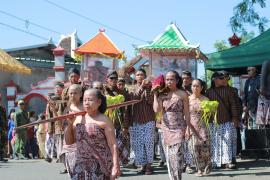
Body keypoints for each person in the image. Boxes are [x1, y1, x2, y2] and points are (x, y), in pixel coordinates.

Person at [65, 88, 120, 179]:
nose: (86, 103)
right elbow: (69, 142)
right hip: (81, 166)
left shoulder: (104, 120)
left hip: (101, 166)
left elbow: (112, 144)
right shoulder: (78, 119)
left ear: (99, 102)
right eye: (84, 100)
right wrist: (70, 124)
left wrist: (116, 166)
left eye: (90, 100)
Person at [153, 70, 196, 180]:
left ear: (177, 80)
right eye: (167, 79)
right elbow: (156, 110)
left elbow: (187, 113)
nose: (169, 81)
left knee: (176, 157)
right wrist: (155, 95)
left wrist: (188, 129)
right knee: (169, 158)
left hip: (179, 128)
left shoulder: (183, 94)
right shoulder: (162, 94)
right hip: (165, 129)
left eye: (172, 79)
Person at [206, 72, 239, 169]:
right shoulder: (208, 92)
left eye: (223, 78)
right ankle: (215, 162)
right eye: (220, 78)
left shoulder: (228, 90)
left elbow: (233, 104)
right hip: (213, 122)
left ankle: (227, 162)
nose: (223, 80)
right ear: (214, 80)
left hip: (227, 120)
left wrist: (235, 118)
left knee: (227, 141)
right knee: (214, 142)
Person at [128, 68, 156, 175]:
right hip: (136, 120)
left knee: (148, 143)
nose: (139, 76)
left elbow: (150, 101)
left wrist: (147, 88)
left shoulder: (151, 87)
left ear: (145, 76)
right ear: (135, 77)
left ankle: (149, 165)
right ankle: (143, 165)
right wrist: (141, 87)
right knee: (138, 144)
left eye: (141, 74)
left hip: (148, 119)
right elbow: (134, 98)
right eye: (138, 74)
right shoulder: (131, 88)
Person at [103, 70, 130, 167]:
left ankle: (116, 166)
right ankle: (109, 167)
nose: (114, 80)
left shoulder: (122, 93)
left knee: (117, 147)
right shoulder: (101, 91)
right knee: (106, 147)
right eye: (111, 78)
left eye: (115, 78)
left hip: (118, 124)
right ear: (107, 79)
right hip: (104, 125)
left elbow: (127, 110)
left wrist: (125, 126)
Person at [188, 79, 211, 177]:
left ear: (201, 88)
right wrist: (186, 128)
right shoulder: (187, 99)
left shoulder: (206, 99)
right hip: (191, 126)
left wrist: (208, 110)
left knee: (204, 149)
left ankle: (207, 164)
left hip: (203, 126)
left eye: (197, 86)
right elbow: (185, 115)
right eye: (193, 86)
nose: (195, 88)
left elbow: (210, 115)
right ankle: (199, 169)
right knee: (193, 148)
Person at [61, 84, 84, 176]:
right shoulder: (67, 108)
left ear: (81, 94)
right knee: (72, 167)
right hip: (70, 140)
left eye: (75, 93)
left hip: (84, 141)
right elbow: (63, 125)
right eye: (70, 93)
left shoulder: (86, 106)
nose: (72, 95)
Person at [45, 82, 65, 163]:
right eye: (56, 88)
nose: (57, 89)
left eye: (59, 88)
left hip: (63, 124)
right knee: (55, 141)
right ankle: (52, 156)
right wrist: (49, 128)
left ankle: (61, 157)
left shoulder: (65, 100)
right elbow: (49, 116)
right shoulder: (51, 102)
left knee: (62, 142)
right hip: (55, 125)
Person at [0, 95, 8, 162]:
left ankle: (1, 156)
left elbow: (5, 119)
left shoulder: (2, 109)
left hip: (2, 128)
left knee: (3, 141)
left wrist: (6, 127)